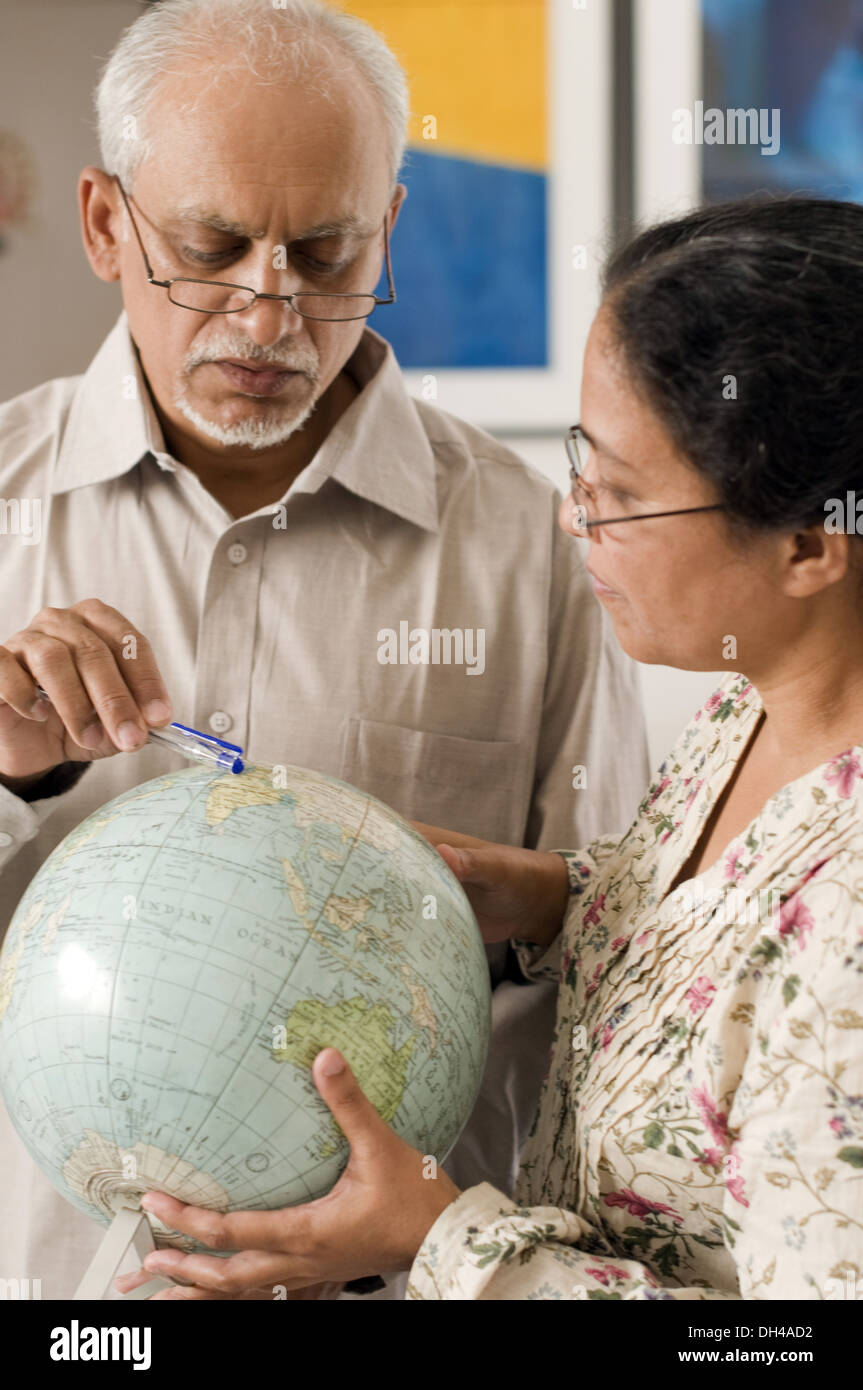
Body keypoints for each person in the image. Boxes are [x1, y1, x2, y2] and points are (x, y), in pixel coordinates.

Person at [0, 0, 647, 1299]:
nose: (269, 308)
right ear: (104, 224)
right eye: (210, 245)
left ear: (390, 227)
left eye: (325, 248)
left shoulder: (535, 546)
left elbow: (630, 952)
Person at [120, 194, 863, 1300]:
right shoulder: (751, 702)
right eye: (579, 460)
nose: (573, 519)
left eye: (618, 495)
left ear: (808, 543)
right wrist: (544, 896)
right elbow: (720, 935)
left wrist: (444, 1244)